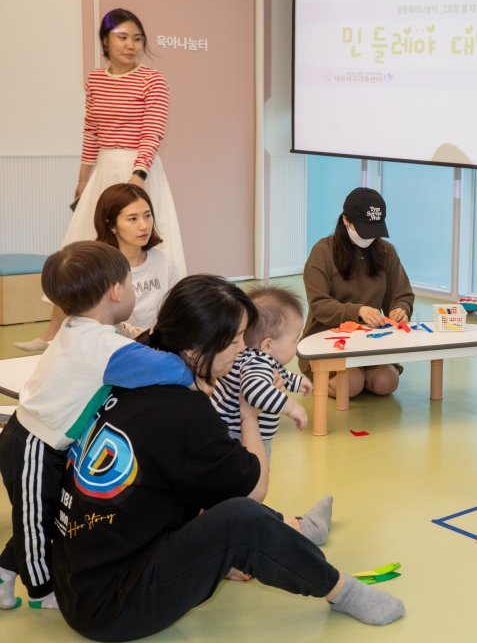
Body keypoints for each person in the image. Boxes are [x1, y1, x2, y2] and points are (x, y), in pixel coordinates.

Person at [52, 275, 404, 640]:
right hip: (115, 606)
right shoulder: (184, 410)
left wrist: (210, 555)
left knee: (208, 488)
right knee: (241, 516)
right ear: (198, 346)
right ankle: (340, 590)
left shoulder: (135, 367)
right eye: (236, 340)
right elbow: (252, 492)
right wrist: (249, 414)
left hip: (80, 580)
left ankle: (298, 530)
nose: (244, 349)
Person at [0, 242, 193, 612]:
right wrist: (194, 369)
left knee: (47, 513)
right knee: (33, 523)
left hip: (47, 440)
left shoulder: (80, 327)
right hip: (32, 444)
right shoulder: (100, 345)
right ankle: (42, 592)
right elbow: (171, 370)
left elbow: (122, 349)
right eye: (131, 282)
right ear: (116, 291)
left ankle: (5, 571)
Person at [16, 182, 182, 353]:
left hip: (152, 347)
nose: (144, 225)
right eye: (133, 218)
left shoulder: (164, 261)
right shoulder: (98, 264)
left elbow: (178, 310)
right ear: (111, 226)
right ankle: (51, 335)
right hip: (108, 349)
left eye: (147, 215)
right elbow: (71, 300)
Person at [300, 187, 414, 397]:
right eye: (363, 230)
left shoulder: (386, 251)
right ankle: (325, 378)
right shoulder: (322, 251)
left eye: (374, 231)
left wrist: (401, 309)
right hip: (327, 339)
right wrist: (358, 311)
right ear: (346, 221)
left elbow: (402, 294)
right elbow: (318, 304)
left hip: (370, 340)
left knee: (386, 382)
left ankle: (361, 373)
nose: (369, 238)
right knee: (351, 384)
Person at [212, 285, 312, 457]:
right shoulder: (256, 364)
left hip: (231, 427)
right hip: (239, 434)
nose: (297, 344)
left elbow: (279, 375)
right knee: (256, 470)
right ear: (268, 345)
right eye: (295, 339)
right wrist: (291, 407)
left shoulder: (254, 356)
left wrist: (297, 382)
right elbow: (255, 391)